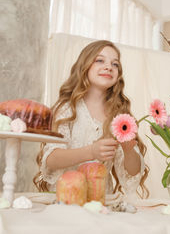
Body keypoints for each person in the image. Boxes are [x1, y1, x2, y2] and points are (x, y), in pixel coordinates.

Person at [33, 40, 149, 198]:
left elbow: (133, 173)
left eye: (115, 64)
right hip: (66, 200)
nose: (108, 66)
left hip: (100, 204)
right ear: (84, 65)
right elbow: (51, 160)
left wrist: (129, 151)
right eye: (100, 60)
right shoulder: (68, 109)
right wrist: (91, 151)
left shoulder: (119, 117)